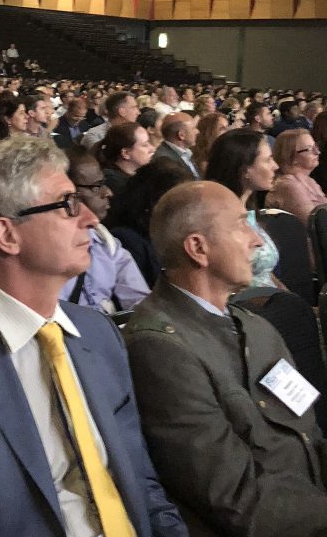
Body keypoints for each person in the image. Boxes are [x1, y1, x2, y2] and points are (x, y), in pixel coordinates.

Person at [0, 135, 187, 537]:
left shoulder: (99, 334)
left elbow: (141, 484)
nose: (91, 219)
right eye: (68, 205)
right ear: (7, 235)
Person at [124, 181, 327, 536]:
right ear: (198, 248)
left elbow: (310, 440)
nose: (257, 240)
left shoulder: (255, 328)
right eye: (241, 225)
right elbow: (236, 499)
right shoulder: (159, 349)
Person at [60, 147, 149, 313]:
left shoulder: (105, 242)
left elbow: (140, 302)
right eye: (96, 186)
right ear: (65, 193)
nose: (107, 192)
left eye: (104, 183)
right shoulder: (44, 252)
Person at [206, 128, 282, 289]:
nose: (275, 166)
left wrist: (296, 305)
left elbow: (265, 273)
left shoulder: (248, 210)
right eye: (267, 160)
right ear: (245, 169)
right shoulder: (219, 220)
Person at [107, 158, 194, 287]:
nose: (188, 211)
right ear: (154, 201)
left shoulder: (175, 235)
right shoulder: (127, 240)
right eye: (180, 203)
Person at [265, 128, 327, 225]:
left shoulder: (309, 181)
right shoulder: (288, 185)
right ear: (291, 157)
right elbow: (316, 225)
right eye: (309, 149)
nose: (317, 152)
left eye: (316, 147)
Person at [96, 121, 155, 199]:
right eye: (145, 145)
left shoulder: (140, 174)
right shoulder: (115, 183)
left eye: (149, 143)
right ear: (126, 153)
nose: (152, 149)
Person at [153, 112, 200, 178]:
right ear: (181, 135)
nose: (197, 131)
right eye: (193, 128)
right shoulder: (164, 161)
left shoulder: (187, 153)